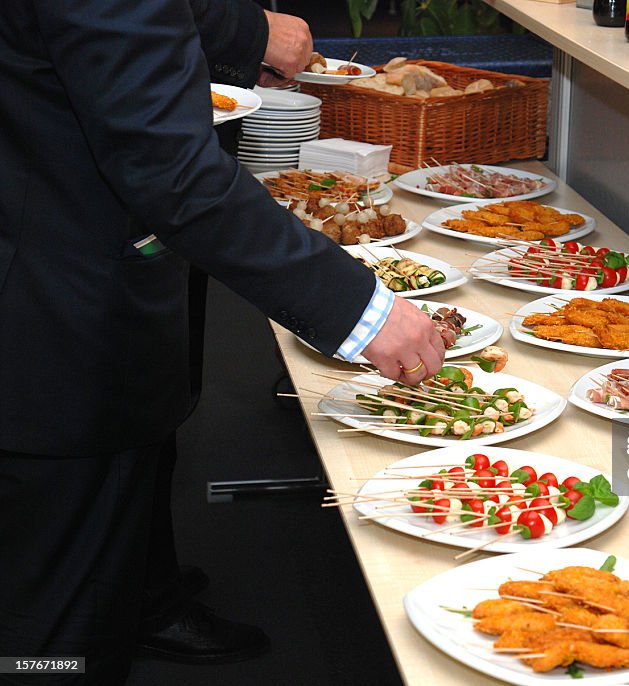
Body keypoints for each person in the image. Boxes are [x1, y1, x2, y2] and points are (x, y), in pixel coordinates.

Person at [0, 2, 443, 685]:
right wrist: (362, 310)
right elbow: (172, 171)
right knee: (57, 638)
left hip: (45, 276)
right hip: (58, 317)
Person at [132, 3, 318, 666]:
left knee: (164, 386)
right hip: (122, 201)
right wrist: (249, 29)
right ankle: (134, 602)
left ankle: (141, 579)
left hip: (169, 164)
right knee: (136, 396)